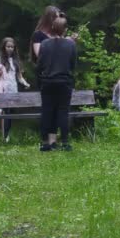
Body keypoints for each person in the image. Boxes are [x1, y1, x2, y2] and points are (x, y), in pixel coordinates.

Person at [36, 17, 76, 151]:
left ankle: (44, 143)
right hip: (64, 82)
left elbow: (40, 65)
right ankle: (65, 142)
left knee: (47, 112)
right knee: (63, 112)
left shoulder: (45, 44)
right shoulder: (71, 44)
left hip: (47, 82)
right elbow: (73, 64)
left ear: (52, 28)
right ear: (65, 29)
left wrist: (41, 80)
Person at [0, 37, 30, 142]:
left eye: (12, 47)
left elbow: (19, 77)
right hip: (0, 88)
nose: (10, 49)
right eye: (8, 46)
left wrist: (25, 83)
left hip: (12, 88)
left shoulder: (16, 61)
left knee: (9, 112)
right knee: (0, 112)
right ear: (3, 47)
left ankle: (5, 136)